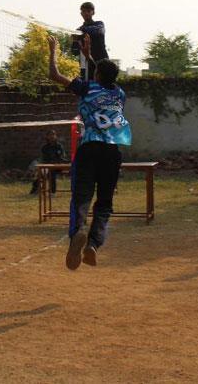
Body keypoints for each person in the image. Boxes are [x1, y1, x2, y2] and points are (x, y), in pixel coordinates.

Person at [48, 34, 131, 270]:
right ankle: (93, 245)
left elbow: (54, 75)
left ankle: (78, 232)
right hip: (112, 152)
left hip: (89, 149)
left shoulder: (87, 88)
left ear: (96, 76)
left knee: (81, 196)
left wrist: (53, 51)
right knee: (104, 203)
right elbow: (104, 77)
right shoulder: (119, 94)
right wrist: (89, 57)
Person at [70, 2, 108, 81]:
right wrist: (75, 41)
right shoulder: (78, 31)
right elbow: (75, 52)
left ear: (93, 12)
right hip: (87, 66)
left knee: (104, 84)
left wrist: (81, 32)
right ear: (81, 13)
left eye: (88, 11)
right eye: (84, 11)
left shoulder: (99, 24)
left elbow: (98, 31)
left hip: (101, 63)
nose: (86, 13)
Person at [30, 129, 66, 195]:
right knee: (40, 173)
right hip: (47, 166)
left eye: (53, 134)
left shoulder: (59, 146)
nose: (52, 136)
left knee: (52, 172)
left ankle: (52, 192)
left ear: (56, 136)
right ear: (47, 136)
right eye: (50, 135)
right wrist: (48, 164)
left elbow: (62, 157)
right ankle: (35, 190)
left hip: (58, 166)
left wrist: (57, 162)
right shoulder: (45, 147)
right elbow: (44, 159)